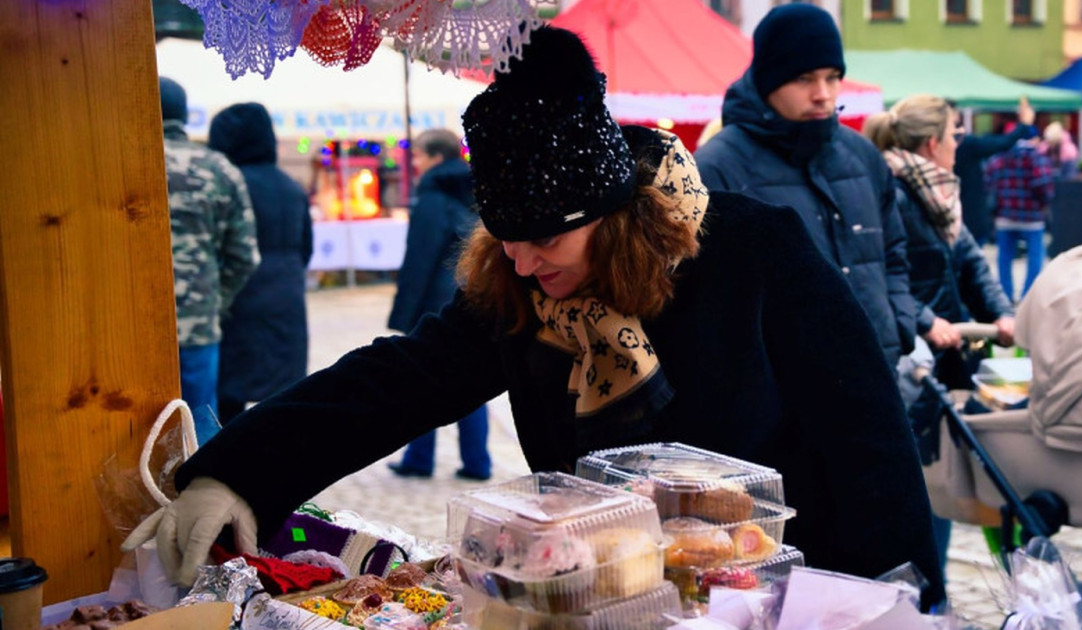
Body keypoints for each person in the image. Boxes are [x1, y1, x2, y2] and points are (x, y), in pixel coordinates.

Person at [125, 27, 945, 609]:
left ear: (612, 214)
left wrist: (898, 597)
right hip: (607, 597)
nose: (522, 263)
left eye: (546, 238)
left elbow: (865, 433)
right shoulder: (522, 288)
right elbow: (399, 380)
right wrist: (240, 467)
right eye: (505, 240)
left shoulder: (756, 251)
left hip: (784, 594)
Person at [694, 3, 915, 368]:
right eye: (804, 78)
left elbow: (893, 251)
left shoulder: (862, 155)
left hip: (879, 376)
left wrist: (898, 323)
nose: (823, 94)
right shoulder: (717, 168)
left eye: (831, 77)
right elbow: (707, 299)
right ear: (769, 79)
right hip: (784, 402)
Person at [864, 95, 1017, 580]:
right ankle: (929, 588)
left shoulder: (940, 193)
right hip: (917, 358)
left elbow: (970, 260)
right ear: (932, 143)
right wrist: (927, 319)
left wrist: (1004, 314)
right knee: (927, 476)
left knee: (962, 466)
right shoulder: (896, 192)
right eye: (955, 135)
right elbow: (890, 273)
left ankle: (953, 578)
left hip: (957, 350)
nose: (958, 144)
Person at [386, 128, 491, 481]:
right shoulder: (476, 189)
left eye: (416, 156)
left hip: (433, 298)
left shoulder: (432, 195)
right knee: (473, 379)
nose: (413, 163)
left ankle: (419, 457)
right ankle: (477, 462)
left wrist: (403, 310)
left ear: (434, 157)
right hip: (468, 292)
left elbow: (420, 257)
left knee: (421, 377)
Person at [160, 77, 259, 425]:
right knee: (199, 423)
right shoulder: (219, 168)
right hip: (198, 321)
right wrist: (216, 302)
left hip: (128, 326)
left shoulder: (118, 163)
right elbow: (245, 256)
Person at [206, 103, 312, 425]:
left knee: (229, 397)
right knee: (282, 394)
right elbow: (306, 247)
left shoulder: (229, 183)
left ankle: (229, 466)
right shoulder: (291, 186)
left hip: (239, 301)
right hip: (287, 300)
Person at [950, 97, 1038, 247]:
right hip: (968, 220)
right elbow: (1002, 143)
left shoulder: (964, 144)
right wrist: (1024, 124)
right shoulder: (965, 144)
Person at [984, 135, 1055, 303]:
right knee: (1035, 257)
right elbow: (1044, 185)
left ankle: (1005, 295)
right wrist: (1044, 202)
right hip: (1032, 218)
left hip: (1005, 217)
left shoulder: (1000, 157)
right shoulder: (1037, 158)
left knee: (1005, 257)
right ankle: (1027, 297)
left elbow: (988, 181)